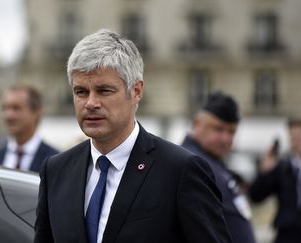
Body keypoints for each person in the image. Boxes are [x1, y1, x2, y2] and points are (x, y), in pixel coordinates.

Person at [34, 29, 232, 243]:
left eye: (104, 91)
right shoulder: (56, 170)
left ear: (136, 91)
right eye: (81, 92)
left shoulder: (181, 171)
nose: (91, 103)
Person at [180, 91, 256, 243]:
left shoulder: (209, 162)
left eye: (231, 132)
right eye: (218, 129)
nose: (225, 139)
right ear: (197, 124)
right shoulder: (194, 164)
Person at [249, 118, 301, 243]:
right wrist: (265, 172)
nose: (296, 142)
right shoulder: (282, 168)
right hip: (288, 232)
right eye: (293, 138)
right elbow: (256, 196)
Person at [0, 85, 59, 172]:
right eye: (5, 108)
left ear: (37, 112)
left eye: (16, 108)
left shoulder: (56, 161)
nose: (8, 116)